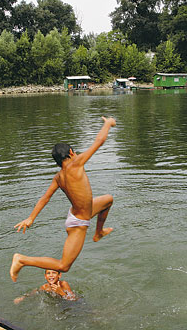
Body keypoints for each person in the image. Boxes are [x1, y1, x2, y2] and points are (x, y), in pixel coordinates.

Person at [10, 116, 116, 282]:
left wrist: (31, 218)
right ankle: (22, 259)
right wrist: (108, 123)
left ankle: (99, 232)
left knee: (108, 200)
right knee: (63, 266)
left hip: (84, 211)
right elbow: (99, 141)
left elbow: (45, 198)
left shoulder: (58, 177)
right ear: (72, 153)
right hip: (78, 223)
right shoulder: (76, 163)